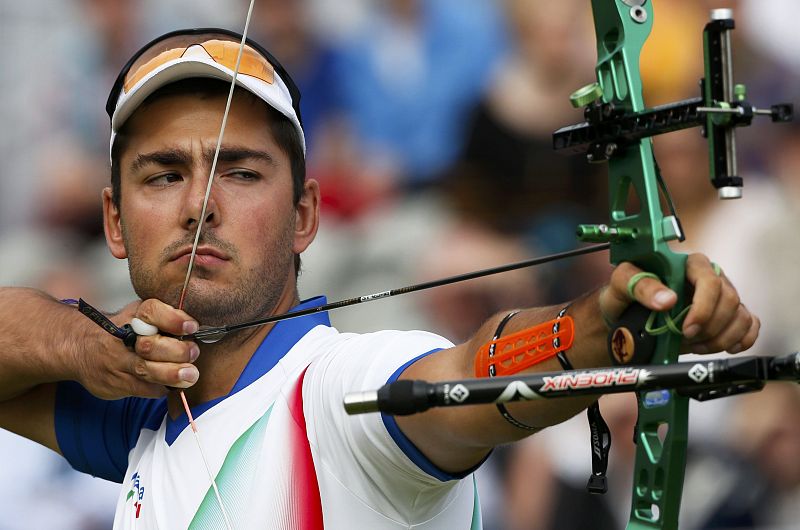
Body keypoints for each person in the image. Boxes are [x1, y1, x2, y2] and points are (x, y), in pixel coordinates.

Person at [0, 29, 758, 529]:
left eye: (240, 171)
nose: (201, 204)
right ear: (113, 220)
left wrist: (606, 326)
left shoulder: (341, 394)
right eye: (164, 175)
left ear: (304, 215)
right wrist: (80, 344)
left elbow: (468, 373)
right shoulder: (144, 419)